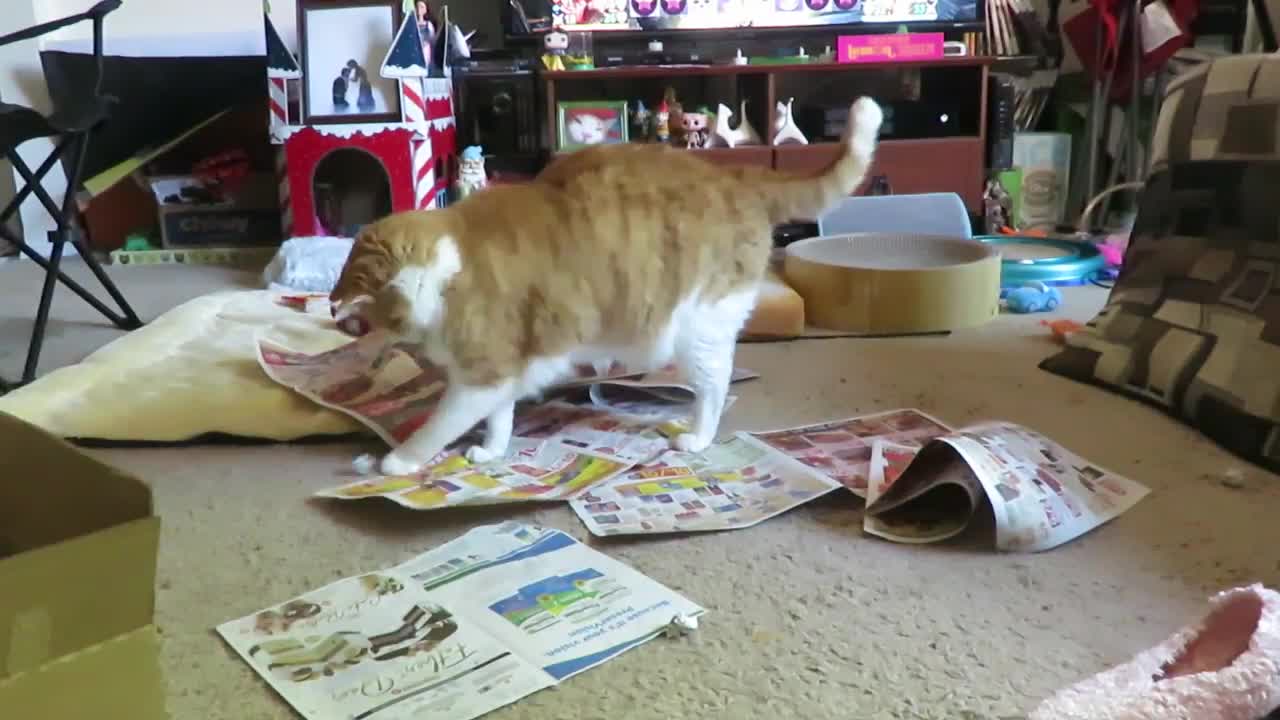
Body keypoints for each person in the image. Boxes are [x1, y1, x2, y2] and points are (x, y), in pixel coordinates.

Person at [415, 0, 435, 67]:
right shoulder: (413, 24)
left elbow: (432, 38)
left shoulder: (428, 24)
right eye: (417, 7)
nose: (419, 9)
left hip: (425, 49)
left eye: (421, 7)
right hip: (415, 49)